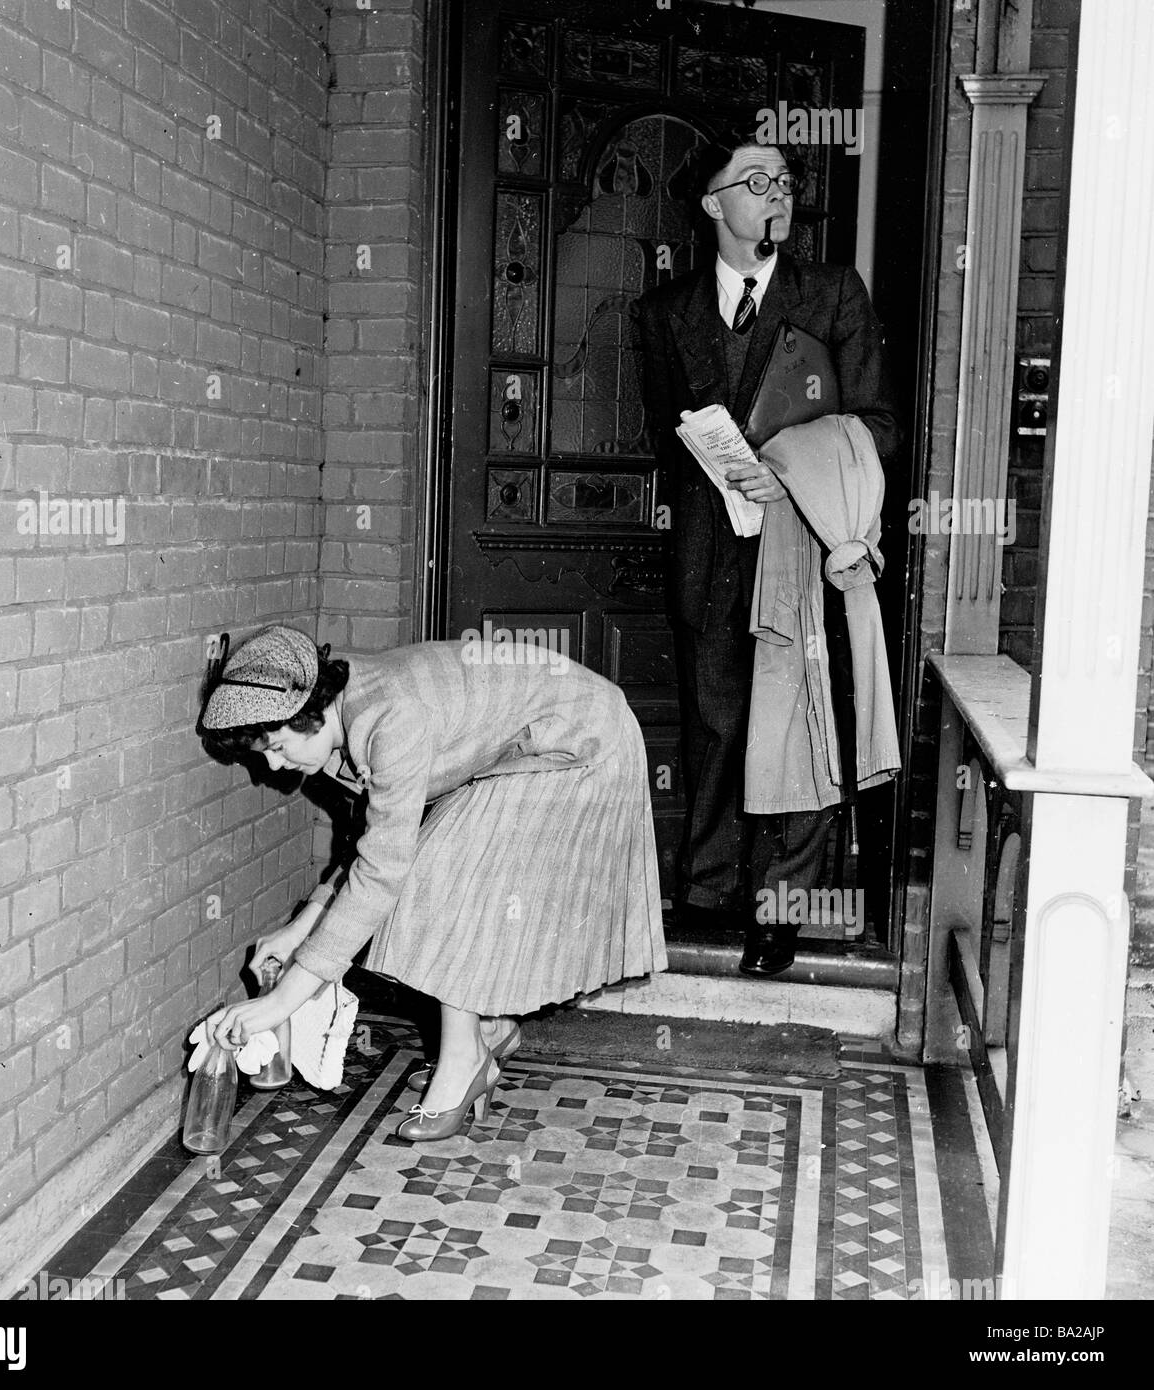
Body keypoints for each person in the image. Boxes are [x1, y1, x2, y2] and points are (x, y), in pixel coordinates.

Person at [196, 626, 667, 1141]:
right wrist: (300, 930)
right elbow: (371, 844)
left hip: (584, 739)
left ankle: (466, 1057)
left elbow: (381, 871)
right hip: (533, 741)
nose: (273, 766)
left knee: (438, 866)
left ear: (307, 711)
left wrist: (280, 1002)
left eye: (278, 746)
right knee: (433, 862)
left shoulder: (390, 717)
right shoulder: (335, 713)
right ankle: (484, 1032)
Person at [634, 127, 899, 977]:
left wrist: (789, 474)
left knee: (796, 717)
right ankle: (707, 893)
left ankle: (781, 907)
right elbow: (664, 435)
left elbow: (879, 426)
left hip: (804, 539)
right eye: (756, 182)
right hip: (710, 546)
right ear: (713, 205)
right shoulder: (662, 315)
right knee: (716, 715)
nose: (776, 195)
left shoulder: (830, 296)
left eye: (783, 181)